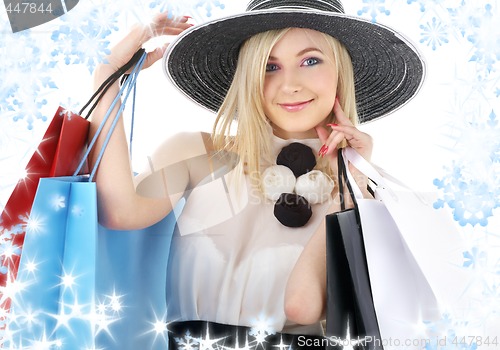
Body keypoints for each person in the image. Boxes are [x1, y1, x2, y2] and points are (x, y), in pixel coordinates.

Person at [89, 0, 425, 348]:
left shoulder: (366, 188)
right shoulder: (195, 154)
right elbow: (118, 211)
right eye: (269, 66)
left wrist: (349, 187)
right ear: (248, 75)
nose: (290, 84)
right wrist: (108, 74)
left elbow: (303, 305)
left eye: (311, 61)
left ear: (342, 70)